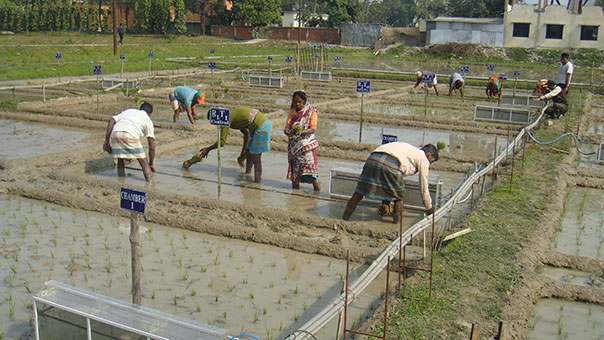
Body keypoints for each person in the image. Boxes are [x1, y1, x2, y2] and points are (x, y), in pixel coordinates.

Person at [342, 143, 438, 223]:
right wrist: (429, 208)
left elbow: (388, 182)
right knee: (399, 197)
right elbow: (424, 186)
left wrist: (386, 202)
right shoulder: (423, 158)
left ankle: (344, 219)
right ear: (429, 155)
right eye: (431, 161)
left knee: (359, 192)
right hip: (391, 163)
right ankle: (396, 226)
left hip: (373, 158)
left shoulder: (409, 150)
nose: (429, 164)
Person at [183, 107, 272, 183]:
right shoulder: (232, 115)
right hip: (256, 126)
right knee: (249, 153)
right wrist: (243, 152)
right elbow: (246, 134)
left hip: (262, 126)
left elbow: (222, 142)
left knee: (256, 157)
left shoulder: (226, 119)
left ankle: (257, 183)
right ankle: (247, 175)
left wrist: (208, 149)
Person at [103, 102, 155, 182]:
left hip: (116, 133)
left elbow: (112, 120)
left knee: (120, 159)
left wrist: (107, 141)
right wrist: (151, 163)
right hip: (129, 134)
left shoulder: (129, 111)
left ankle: (121, 181)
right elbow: (151, 147)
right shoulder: (148, 121)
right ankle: (150, 183)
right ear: (150, 114)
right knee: (144, 162)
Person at [284, 90, 320, 191]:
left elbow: (313, 128)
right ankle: (295, 196)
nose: (297, 104)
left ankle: (317, 195)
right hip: (294, 147)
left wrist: (301, 132)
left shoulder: (311, 112)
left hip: (307, 145)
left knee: (313, 174)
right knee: (295, 176)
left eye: (299, 102)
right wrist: (288, 131)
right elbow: (287, 127)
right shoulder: (292, 112)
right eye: (295, 102)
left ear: (304, 101)